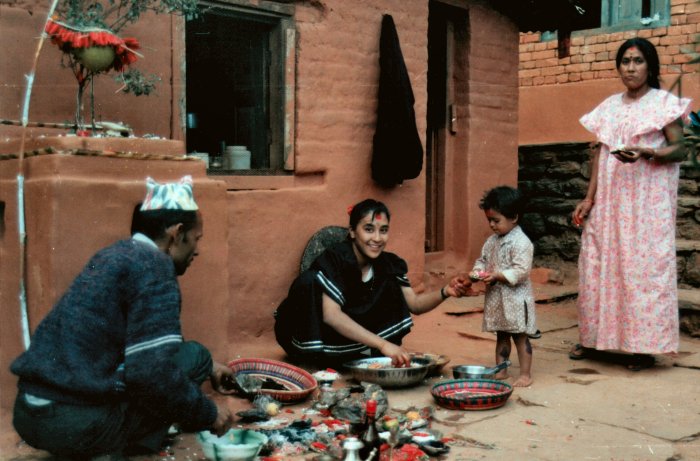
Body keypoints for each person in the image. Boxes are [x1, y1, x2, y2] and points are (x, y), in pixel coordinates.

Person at [10, 176, 235, 460]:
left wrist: (209, 366)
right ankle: (109, 448)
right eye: (196, 238)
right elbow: (149, 374)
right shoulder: (156, 267)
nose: (197, 249)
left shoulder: (113, 255)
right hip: (74, 423)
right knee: (163, 383)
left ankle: (94, 441)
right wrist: (208, 412)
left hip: (29, 415)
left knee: (197, 357)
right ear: (177, 233)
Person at [570, 37, 692, 370]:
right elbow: (600, 154)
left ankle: (642, 347)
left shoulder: (663, 104)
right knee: (597, 266)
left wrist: (648, 152)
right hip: (610, 203)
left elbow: (681, 150)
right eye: (625, 61)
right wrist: (589, 197)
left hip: (645, 205)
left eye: (638, 61)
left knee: (643, 271)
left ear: (650, 66)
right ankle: (594, 340)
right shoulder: (609, 106)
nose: (631, 68)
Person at [274, 198, 472, 367]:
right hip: (313, 336)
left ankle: (352, 352)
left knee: (389, 280)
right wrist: (383, 345)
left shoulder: (389, 263)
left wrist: (446, 291)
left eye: (383, 230)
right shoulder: (334, 259)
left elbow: (415, 305)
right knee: (308, 281)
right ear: (352, 232)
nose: (377, 238)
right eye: (369, 229)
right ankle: (325, 354)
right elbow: (331, 316)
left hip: (345, 339)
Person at [469, 186, 536, 387]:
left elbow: (521, 270)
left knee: (520, 336)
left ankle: (525, 374)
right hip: (498, 299)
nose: (491, 225)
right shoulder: (491, 241)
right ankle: (502, 371)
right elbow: (483, 260)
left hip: (516, 299)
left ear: (514, 217)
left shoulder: (522, 242)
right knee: (501, 334)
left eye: (496, 220)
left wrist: (498, 275)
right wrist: (476, 272)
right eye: (489, 220)